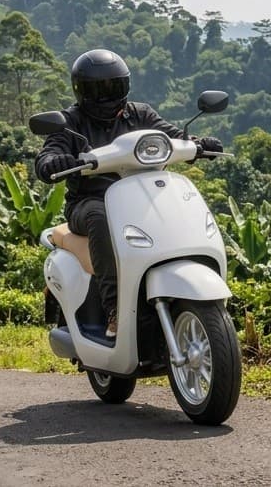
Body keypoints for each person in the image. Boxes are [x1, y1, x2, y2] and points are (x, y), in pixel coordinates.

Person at [34, 49, 222, 339]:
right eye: (97, 90)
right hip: (90, 202)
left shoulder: (141, 114)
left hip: (142, 200)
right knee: (100, 216)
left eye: (113, 87)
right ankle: (115, 310)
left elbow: (170, 136)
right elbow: (49, 153)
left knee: (180, 203)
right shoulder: (70, 122)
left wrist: (197, 144)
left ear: (125, 86)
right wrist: (54, 161)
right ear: (80, 90)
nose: (106, 96)